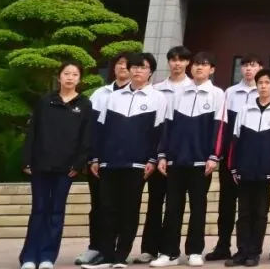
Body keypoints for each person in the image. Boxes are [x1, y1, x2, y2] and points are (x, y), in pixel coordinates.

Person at [85, 52, 168, 269]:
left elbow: (159, 131)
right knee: (106, 209)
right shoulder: (113, 97)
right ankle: (106, 255)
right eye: (134, 67)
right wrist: (95, 157)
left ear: (150, 72)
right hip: (109, 162)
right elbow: (100, 129)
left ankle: (121, 256)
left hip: (137, 164)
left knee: (129, 209)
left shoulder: (158, 98)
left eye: (143, 67)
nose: (138, 71)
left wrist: (152, 159)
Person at [151, 51, 225, 267]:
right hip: (175, 161)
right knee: (172, 208)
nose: (199, 68)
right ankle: (169, 253)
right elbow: (167, 126)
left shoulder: (217, 94)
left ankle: (195, 251)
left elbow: (220, 127)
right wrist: (162, 154)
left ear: (212, 69)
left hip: (202, 163)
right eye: (196, 64)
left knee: (198, 208)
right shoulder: (179, 92)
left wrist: (214, 156)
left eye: (204, 64)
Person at [19, 61, 93, 269]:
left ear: (80, 79)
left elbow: (86, 138)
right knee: (39, 209)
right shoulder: (45, 101)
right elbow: (33, 131)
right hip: (41, 164)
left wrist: (78, 164)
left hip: (66, 169)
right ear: (59, 77)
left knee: (56, 212)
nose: (70, 77)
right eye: (66, 73)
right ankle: (29, 257)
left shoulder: (84, 105)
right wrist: (26, 159)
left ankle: (47, 257)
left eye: (75, 74)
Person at [227, 67, 270, 267]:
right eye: (260, 83)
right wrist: (234, 167)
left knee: (260, 213)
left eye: (267, 83)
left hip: (266, 171)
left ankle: (254, 253)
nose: (263, 86)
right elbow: (235, 140)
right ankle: (241, 251)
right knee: (243, 213)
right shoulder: (245, 110)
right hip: (245, 170)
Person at [138, 46, 193, 265]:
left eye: (181, 60)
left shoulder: (193, 89)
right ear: (168, 62)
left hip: (180, 156)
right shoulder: (157, 89)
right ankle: (149, 248)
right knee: (154, 202)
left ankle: (170, 250)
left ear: (187, 63)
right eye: (173, 59)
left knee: (174, 205)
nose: (177, 63)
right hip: (156, 154)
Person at [76, 54, 131, 267]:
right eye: (119, 64)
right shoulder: (100, 93)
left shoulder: (138, 95)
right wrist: (91, 157)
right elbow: (91, 127)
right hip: (98, 161)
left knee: (120, 207)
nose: (122, 67)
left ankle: (115, 250)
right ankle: (95, 247)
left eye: (127, 64)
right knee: (98, 205)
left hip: (124, 162)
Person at [207, 55, 262, 262]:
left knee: (250, 206)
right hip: (230, 157)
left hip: (253, 160)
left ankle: (249, 248)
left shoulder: (265, 92)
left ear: (260, 68)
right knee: (226, 204)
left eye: (253, 65)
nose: (248, 69)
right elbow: (223, 126)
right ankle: (223, 245)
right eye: (245, 65)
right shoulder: (229, 93)